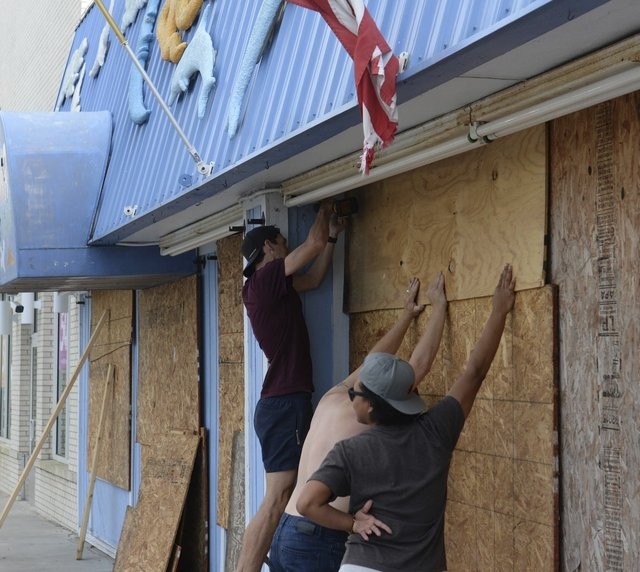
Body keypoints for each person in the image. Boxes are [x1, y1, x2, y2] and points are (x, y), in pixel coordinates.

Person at [297, 264, 516, 572]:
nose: (349, 395)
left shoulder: (350, 452)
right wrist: (499, 311)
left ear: (371, 407)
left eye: (355, 394)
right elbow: (474, 373)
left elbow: (307, 503)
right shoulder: (436, 431)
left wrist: (352, 524)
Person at [269, 273, 448, 572]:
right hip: (320, 537)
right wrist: (439, 308)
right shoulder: (370, 415)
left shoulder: (334, 396)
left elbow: (372, 364)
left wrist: (406, 316)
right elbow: (418, 366)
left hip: (286, 533)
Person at [236, 202, 346, 572]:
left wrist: (332, 237)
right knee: (277, 497)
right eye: (282, 241)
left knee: (284, 496)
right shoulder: (263, 281)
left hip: (282, 403)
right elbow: (311, 245)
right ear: (268, 248)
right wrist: (325, 206)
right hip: (284, 404)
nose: (287, 245)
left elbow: (313, 279)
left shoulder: (270, 288)